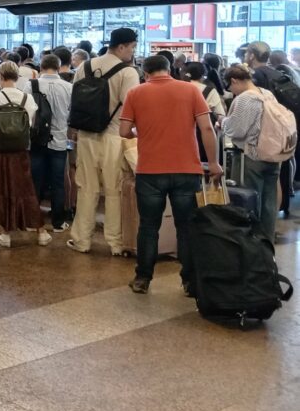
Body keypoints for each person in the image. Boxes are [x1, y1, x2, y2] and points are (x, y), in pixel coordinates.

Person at [119, 54, 222, 295]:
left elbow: (124, 131)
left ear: (146, 73)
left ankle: (142, 278)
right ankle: (189, 282)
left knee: (148, 227)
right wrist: (214, 163)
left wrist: (140, 133)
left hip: (150, 171)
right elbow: (207, 128)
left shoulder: (136, 93)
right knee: (186, 227)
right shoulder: (191, 90)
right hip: (187, 170)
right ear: (169, 70)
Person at [67, 28, 141, 257]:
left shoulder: (84, 67)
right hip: (114, 137)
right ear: (121, 47)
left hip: (87, 136)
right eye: (132, 47)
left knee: (86, 188)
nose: (132, 52)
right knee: (113, 190)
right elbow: (131, 107)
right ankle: (115, 243)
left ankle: (81, 240)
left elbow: (75, 101)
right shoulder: (128, 73)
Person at [0, 62, 49, 248]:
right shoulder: (27, 99)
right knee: (25, 188)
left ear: (1, 76)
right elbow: (30, 124)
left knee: (1, 187)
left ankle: (6, 234)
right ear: (17, 77)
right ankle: (41, 232)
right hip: (20, 150)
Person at [222, 65, 286, 243]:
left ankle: (251, 244)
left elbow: (237, 130)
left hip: (251, 156)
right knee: (269, 202)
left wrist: (223, 121)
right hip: (272, 154)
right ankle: (267, 243)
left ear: (234, 80)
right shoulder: (267, 93)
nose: (231, 91)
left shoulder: (245, 99)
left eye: (230, 86)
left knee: (249, 200)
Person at [20, 54, 73, 231]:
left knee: (35, 180)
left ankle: (32, 221)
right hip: (59, 141)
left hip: (36, 140)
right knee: (58, 182)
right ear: (59, 67)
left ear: (41, 67)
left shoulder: (31, 85)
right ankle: (58, 222)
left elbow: (25, 112)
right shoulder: (68, 87)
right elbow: (70, 114)